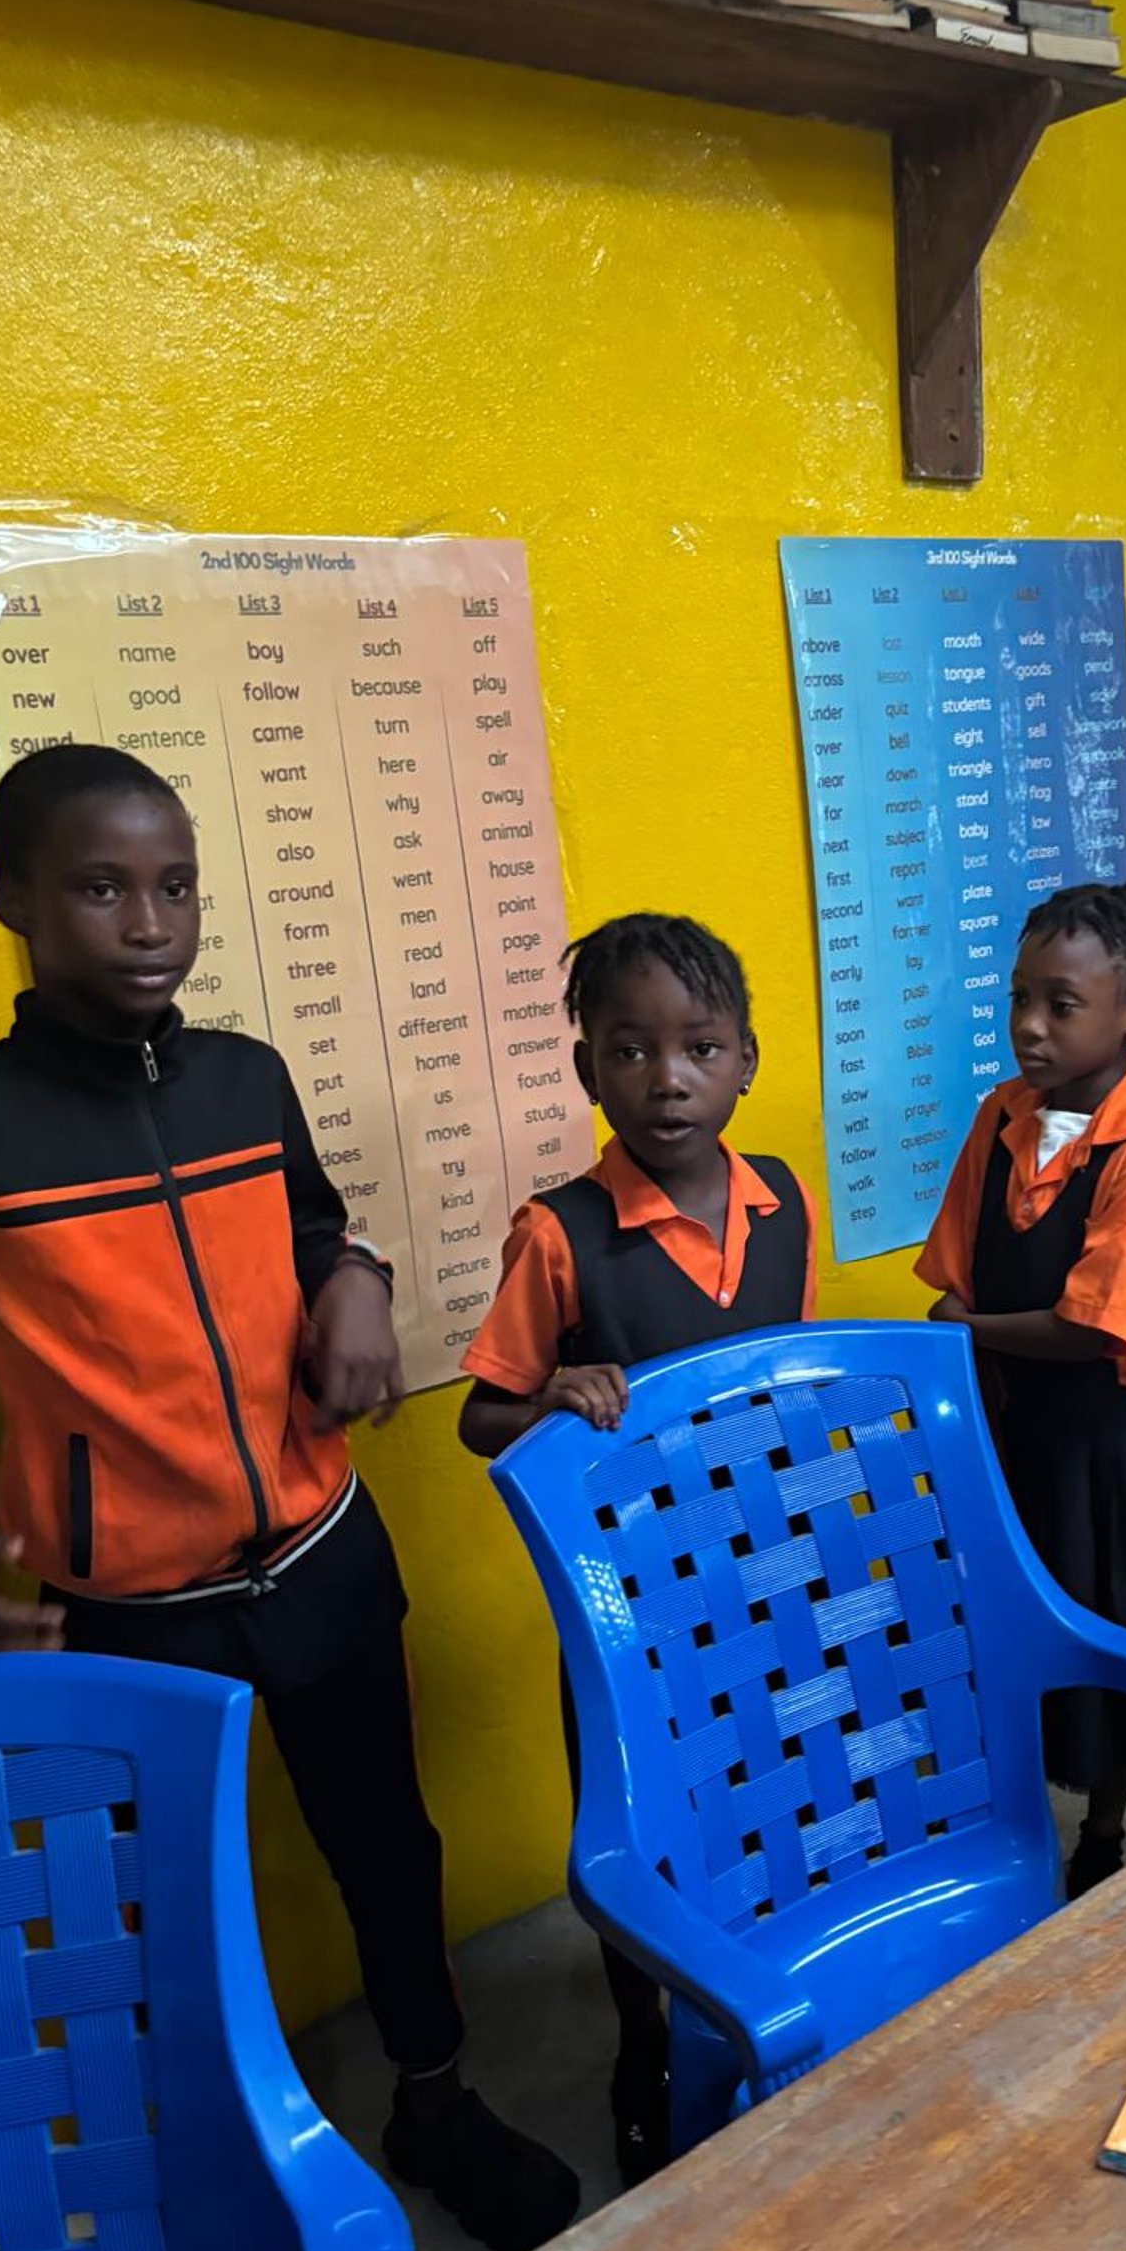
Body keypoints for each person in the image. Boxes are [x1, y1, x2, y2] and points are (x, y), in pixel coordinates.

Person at [0, 743, 578, 2251]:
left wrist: (354, 1281)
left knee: (388, 1843)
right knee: (160, 1898)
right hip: (127, 1608)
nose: (150, 920)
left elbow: (317, 1224)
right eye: (103, 887)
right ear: (14, 906)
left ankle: (432, 2101)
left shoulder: (246, 1077)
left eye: (174, 884)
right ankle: (220, 2161)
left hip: (320, 1551)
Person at [459, 912, 817, 2185]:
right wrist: (555, 1392)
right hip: (625, 1604)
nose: (666, 1078)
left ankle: (756, 1986)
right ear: (587, 1069)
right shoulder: (559, 1232)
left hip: (762, 1575)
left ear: (745, 1061)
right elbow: (478, 1413)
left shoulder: (784, 1205)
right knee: (638, 1817)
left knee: (766, 1781)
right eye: (629, 1050)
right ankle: (642, 2039)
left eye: (698, 1047)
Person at [917, 882, 1126, 1900]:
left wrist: (969, 1332)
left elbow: (1093, 1327)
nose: (1029, 1028)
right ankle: (1006, 1821)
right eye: (1018, 999)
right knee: (999, 1632)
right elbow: (957, 1265)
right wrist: (962, 1331)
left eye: (1060, 1004)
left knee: (1108, 1636)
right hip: (1009, 1439)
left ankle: (1103, 1827)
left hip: (1107, 1451)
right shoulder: (1001, 1119)